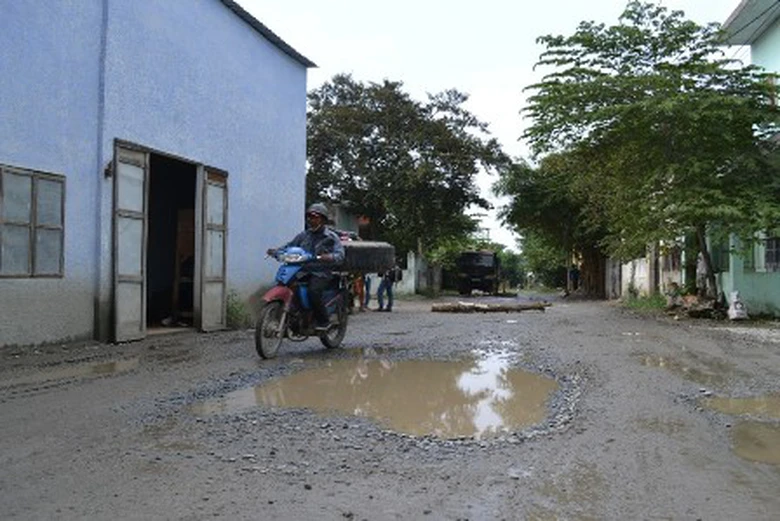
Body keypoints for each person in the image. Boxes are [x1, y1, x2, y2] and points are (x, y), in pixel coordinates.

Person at [266, 203, 345, 331]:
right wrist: (276, 251)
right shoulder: (304, 235)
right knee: (285, 284)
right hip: (302, 270)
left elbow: (340, 255)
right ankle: (292, 317)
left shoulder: (331, 237)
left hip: (321, 273)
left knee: (313, 292)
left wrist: (327, 257)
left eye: (314, 217)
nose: (310, 219)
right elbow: (290, 246)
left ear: (323, 219)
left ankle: (324, 321)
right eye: (309, 216)